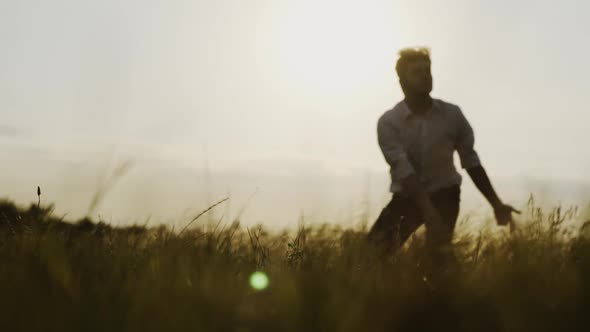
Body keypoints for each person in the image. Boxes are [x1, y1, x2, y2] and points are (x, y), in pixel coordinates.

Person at [368, 47, 519, 258]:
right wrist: (428, 212)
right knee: (371, 254)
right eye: (416, 72)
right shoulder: (389, 122)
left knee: (437, 259)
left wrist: (496, 203)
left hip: (445, 196)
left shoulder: (452, 115)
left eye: (427, 70)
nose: (425, 76)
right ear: (402, 82)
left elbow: (471, 161)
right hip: (407, 197)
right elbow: (403, 170)